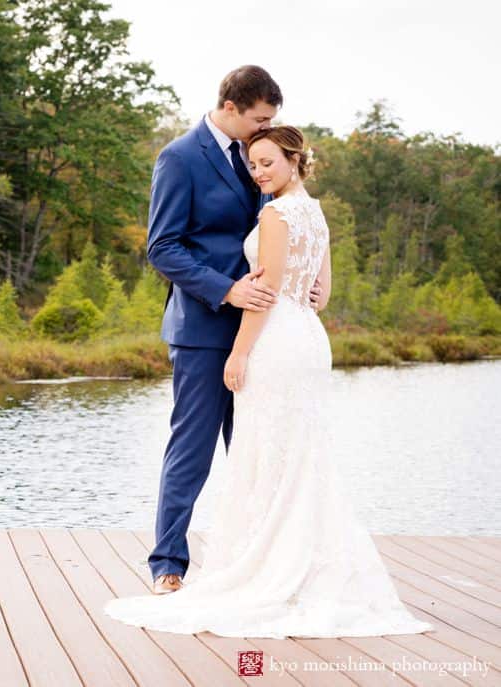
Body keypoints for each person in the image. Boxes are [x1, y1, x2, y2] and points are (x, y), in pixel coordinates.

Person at [102, 125, 434, 638]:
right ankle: (259, 565)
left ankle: (267, 569)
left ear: (295, 160)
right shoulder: (310, 209)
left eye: (267, 163)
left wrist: (238, 353)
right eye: (253, 163)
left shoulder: (277, 213)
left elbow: (267, 293)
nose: (257, 172)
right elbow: (318, 288)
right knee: (291, 456)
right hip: (300, 336)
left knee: (267, 455)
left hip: (273, 340)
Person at [140, 65, 321, 595]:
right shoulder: (179, 157)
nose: (266, 127)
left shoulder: (259, 159)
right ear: (233, 107)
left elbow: (282, 233)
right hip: (202, 328)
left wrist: (301, 285)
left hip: (263, 334)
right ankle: (168, 564)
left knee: (257, 452)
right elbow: (162, 247)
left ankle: (261, 565)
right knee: (191, 450)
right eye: (261, 117)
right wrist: (226, 289)